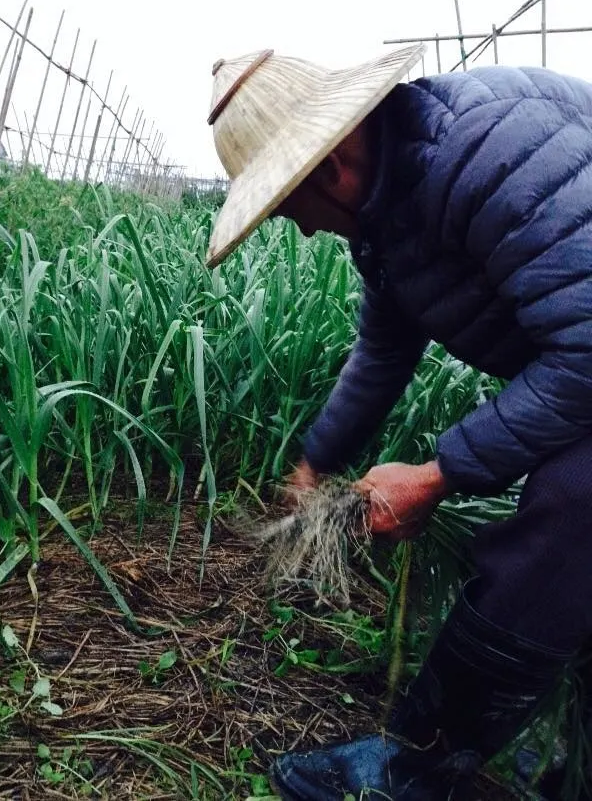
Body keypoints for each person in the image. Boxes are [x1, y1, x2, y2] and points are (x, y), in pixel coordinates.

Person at [205, 45, 592, 799]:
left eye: (289, 207)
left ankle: (416, 768)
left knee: (573, 502)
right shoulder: (389, 211)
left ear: (329, 167)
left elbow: (587, 349)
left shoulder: (486, 155)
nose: (304, 230)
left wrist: (439, 475)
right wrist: (317, 463)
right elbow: (384, 348)